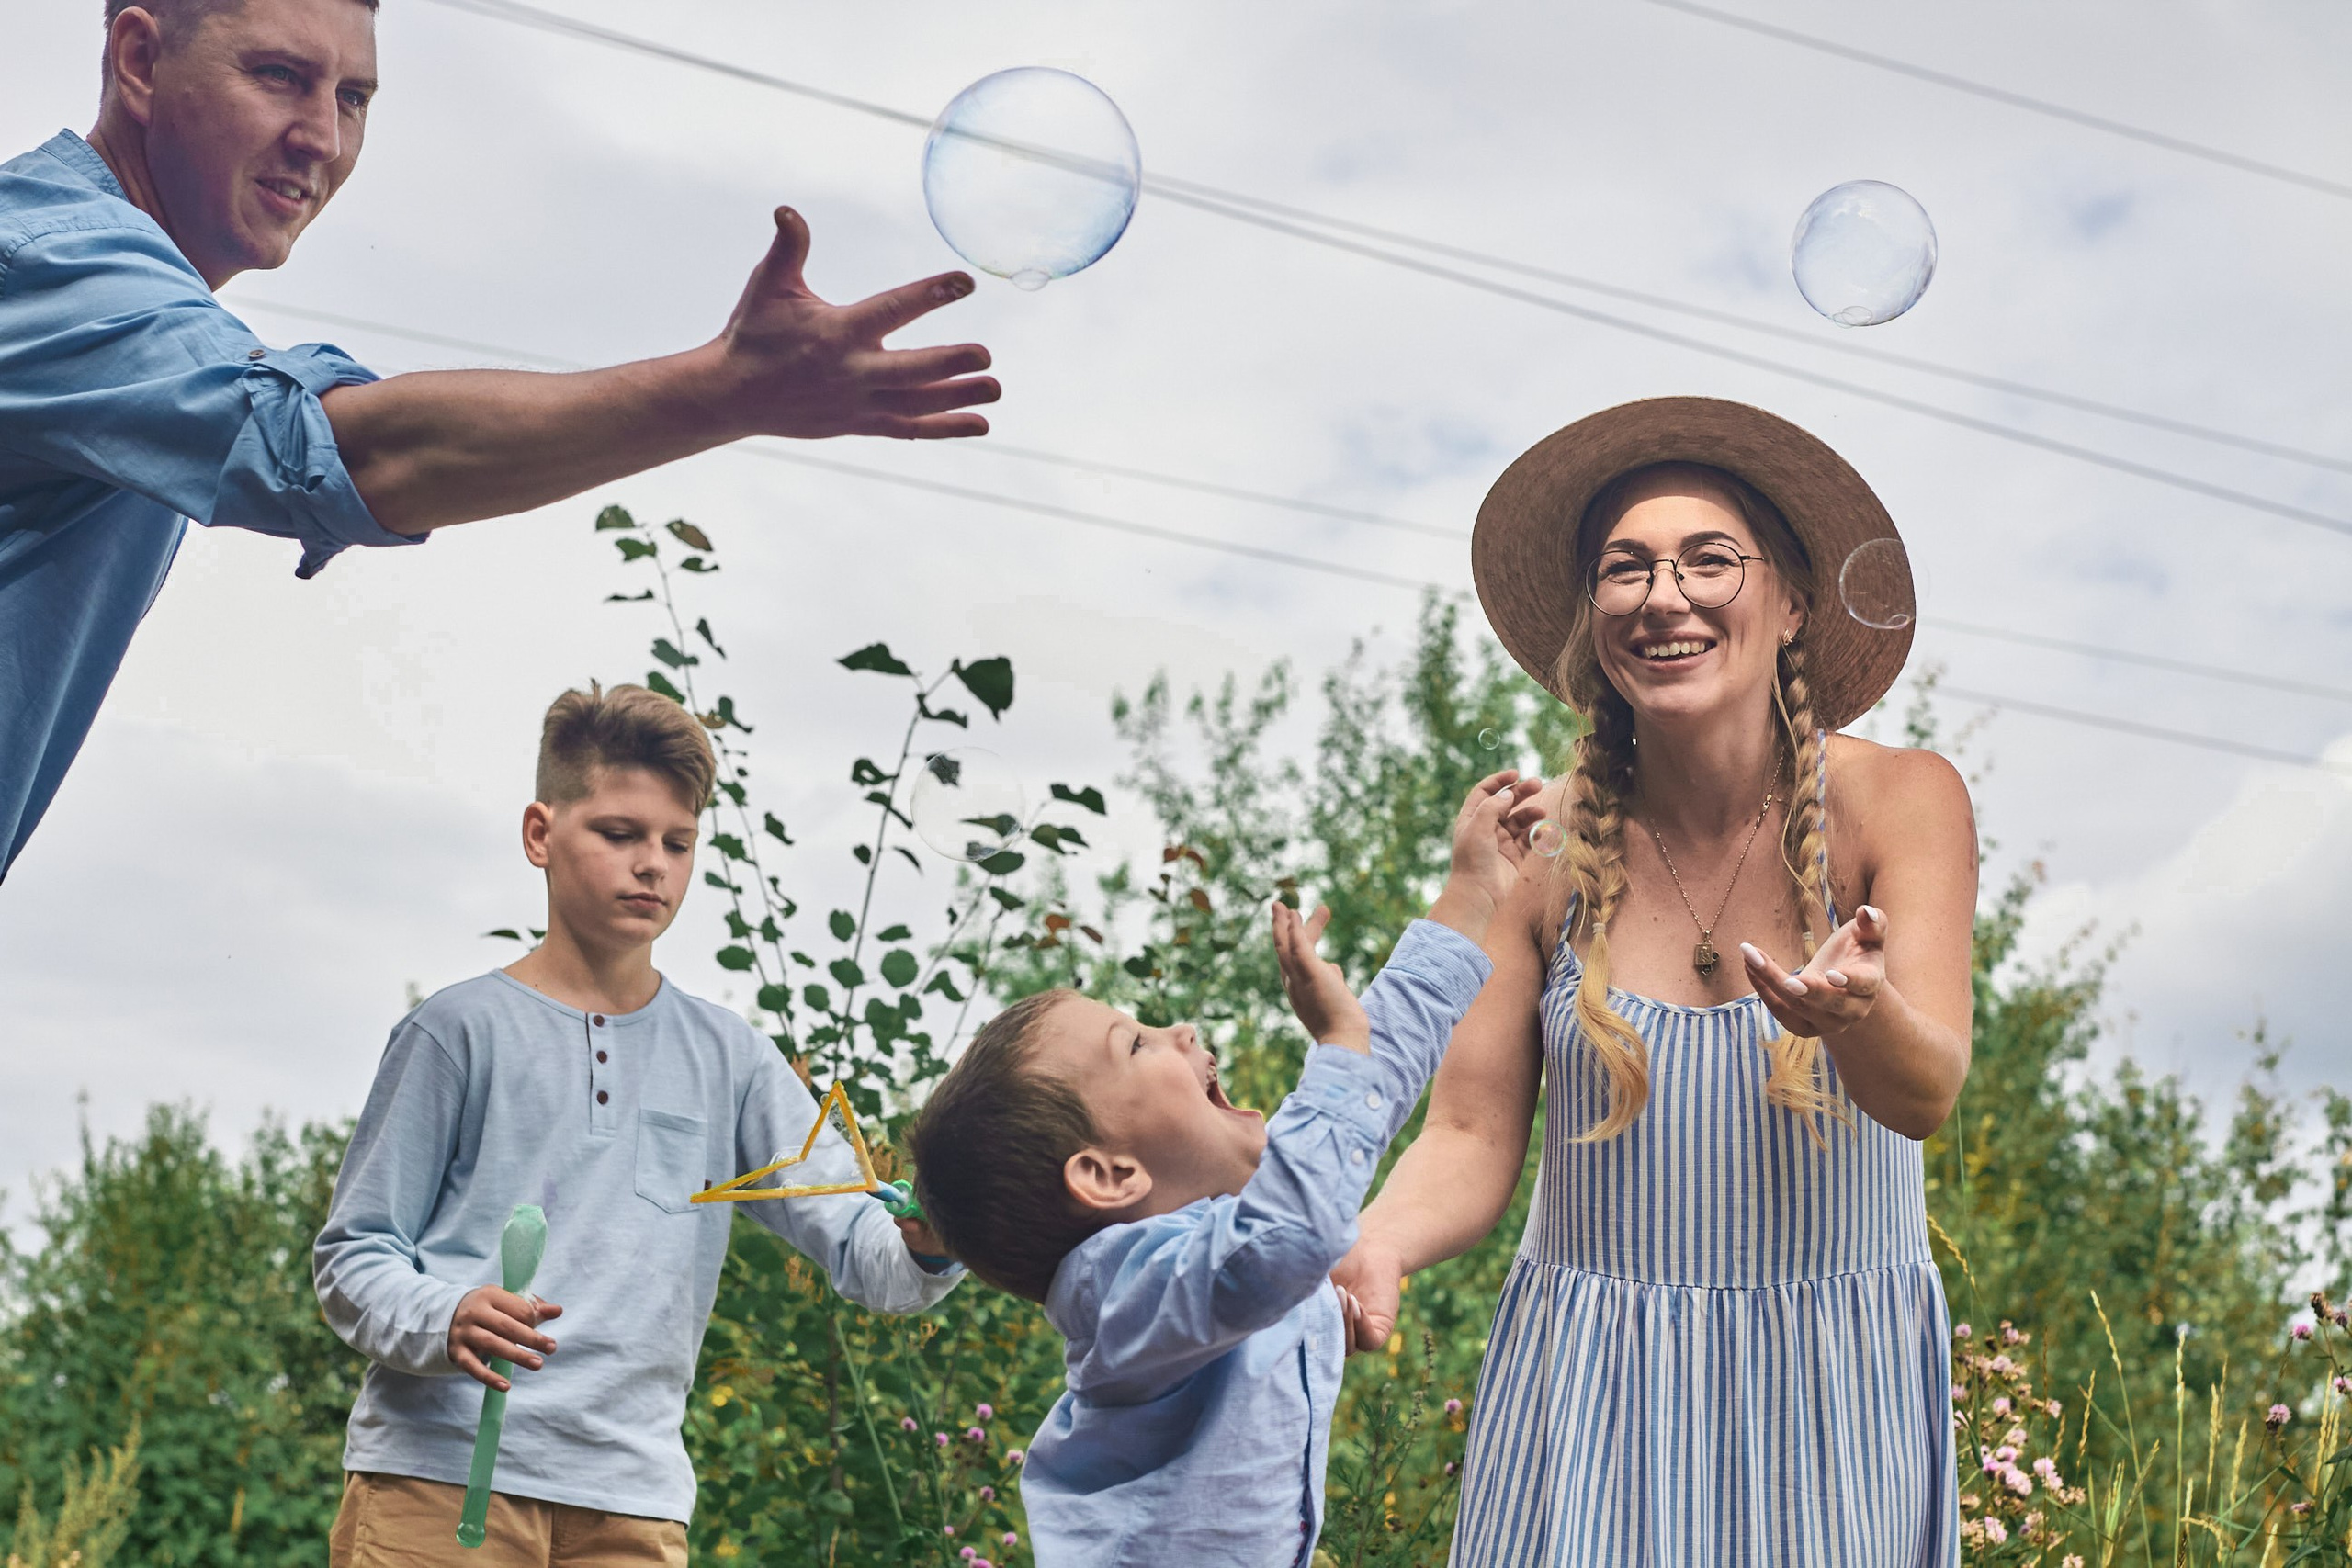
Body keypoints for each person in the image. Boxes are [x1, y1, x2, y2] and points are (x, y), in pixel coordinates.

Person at [0, 0, 999, 881]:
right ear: (138, 62)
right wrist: (725, 391)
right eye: (278, 77)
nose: (320, 138)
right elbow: (338, 454)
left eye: (353, 98)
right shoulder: (48, 257)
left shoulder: (97, 293)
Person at [1333, 397, 1978, 1564]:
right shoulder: (1537, 852)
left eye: (1707, 560)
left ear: (1789, 605)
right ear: (1594, 620)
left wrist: (1860, 1016)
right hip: (1589, 1388)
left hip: (1825, 1391)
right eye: (1624, 569)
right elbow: (1471, 1134)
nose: (1661, 595)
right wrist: (1375, 1240)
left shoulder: (1899, 801)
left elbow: (1926, 1091)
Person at [312, 682, 962, 1567]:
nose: (652, 863)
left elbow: (864, 1246)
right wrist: (447, 1312)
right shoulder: (455, 1032)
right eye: (619, 834)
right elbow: (354, 1253)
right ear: (541, 833)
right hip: (439, 1481)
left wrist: (933, 1240)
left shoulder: (730, 1056)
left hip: (633, 1506)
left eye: (677, 842)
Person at [904, 771, 1544, 1566]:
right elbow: (1290, 1221)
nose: (1180, 1027)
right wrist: (1337, 1050)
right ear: (1107, 1174)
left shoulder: (1214, 1263)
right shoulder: (1128, 1290)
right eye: (1136, 1043)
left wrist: (1472, 894)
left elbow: (1361, 1101)